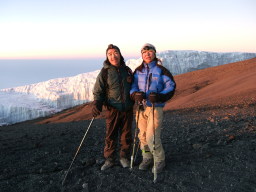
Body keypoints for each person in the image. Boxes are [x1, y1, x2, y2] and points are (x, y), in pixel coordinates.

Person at [130, 43, 176, 173]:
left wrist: (159, 96)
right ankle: (147, 157)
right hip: (140, 107)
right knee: (142, 136)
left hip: (155, 107)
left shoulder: (162, 70)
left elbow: (171, 86)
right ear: (142, 55)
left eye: (150, 52)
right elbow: (132, 86)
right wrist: (135, 94)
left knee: (152, 137)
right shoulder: (138, 71)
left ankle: (159, 160)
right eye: (144, 52)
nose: (147, 54)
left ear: (154, 53)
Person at [92, 44, 134, 171]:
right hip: (112, 109)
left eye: (115, 53)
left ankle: (124, 157)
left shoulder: (127, 70)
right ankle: (109, 159)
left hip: (127, 108)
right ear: (107, 57)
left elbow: (133, 87)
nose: (113, 56)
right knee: (111, 135)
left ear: (120, 54)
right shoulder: (104, 72)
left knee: (126, 135)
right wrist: (97, 103)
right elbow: (98, 90)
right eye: (109, 54)